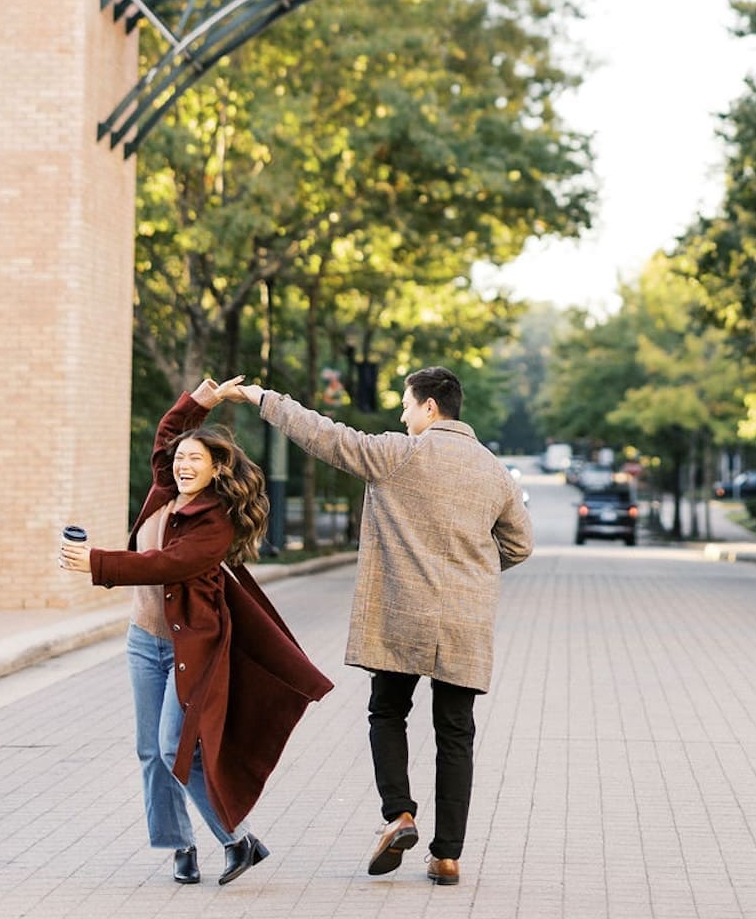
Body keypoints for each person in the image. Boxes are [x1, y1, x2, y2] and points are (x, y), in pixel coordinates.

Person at [221, 365, 532, 887]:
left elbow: (323, 435)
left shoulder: (398, 454)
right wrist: (472, 573)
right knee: (456, 732)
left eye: (406, 404)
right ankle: (448, 856)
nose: (401, 414)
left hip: (400, 614)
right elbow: (520, 545)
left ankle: (399, 815)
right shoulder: (493, 471)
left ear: (430, 407)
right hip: (463, 621)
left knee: (388, 711)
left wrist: (262, 398)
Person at [60, 376, 333, 886]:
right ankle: (180, 848)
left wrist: (94, 561)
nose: (183, 465)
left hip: (194, 643)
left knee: (174, 748)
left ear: (215, 470)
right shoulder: (166, 491)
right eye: (180, 459)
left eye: (195, 460)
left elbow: (167, 564)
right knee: (150, 750)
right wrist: (201, 399)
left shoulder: (215, 521)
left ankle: (238, 838)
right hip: (145, 638)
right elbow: (169, 433)